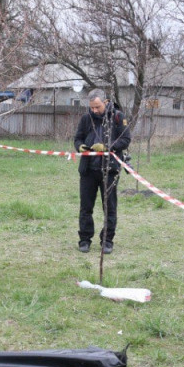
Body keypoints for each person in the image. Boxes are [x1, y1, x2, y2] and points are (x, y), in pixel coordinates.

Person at [73, 89, 131, 254]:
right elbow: (77, 138)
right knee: (86, 207)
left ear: (105, 102)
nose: (94, 110)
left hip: (109, 170)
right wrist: (80, 147)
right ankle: (84, 240)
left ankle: (107, 241)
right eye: (91, 107)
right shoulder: (86, 119)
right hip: (88, 170)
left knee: (109, 207)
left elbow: (126, 140)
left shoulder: (118, 117)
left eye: (97, 107)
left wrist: (107, 147)